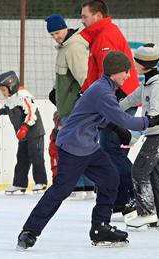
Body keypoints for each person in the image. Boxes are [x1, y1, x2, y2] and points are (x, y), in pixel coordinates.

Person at [16, 51, 159, 250]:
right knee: (61, 190)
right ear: (115, 73)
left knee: (110, 180)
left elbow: (100, 116)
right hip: (72, 147)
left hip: (88, 147)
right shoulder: (102, 91)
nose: (128, 76)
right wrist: (156, 119)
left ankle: (100, 226)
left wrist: (117, 129)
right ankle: (30, 231)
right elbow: (125, 119)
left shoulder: (104, 88)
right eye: (126, 72)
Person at [80, 0, 140, 212]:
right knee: (111, 151)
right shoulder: (99, 36)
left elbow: (111, 75)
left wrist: (102, 102)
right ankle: (121, 198)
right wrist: (85, 92)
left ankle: (134, 196)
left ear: (97, 15)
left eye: (85, 16)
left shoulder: (105, 35)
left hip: (120, 99)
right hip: (116, 99)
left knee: (110, 150)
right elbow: (96, 74)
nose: (82, 20)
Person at [119, 43, 159, 228]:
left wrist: (134, 130)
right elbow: (132, 99)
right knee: (154, 174)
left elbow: (155, 115)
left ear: (143, 64)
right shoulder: (149, 82)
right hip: (158, 134)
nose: (133, 65)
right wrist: (111, 108)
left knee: (139, 171)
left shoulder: (157, 85)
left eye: (136, 61)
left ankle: (147, 213)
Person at [45, 14, 96, 199]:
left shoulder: (73, 47)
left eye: (58, 32)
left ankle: (81, 185)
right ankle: (85, 185)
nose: (56, 37)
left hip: (75, 108)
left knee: (74, 147)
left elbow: (84, 78)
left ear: (65, 28)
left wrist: (81, 104)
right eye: (52, 35)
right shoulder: (65, 47)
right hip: (68, 107)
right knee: (79, 145)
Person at [0, 71, 47, 194]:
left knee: (36, 156)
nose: (2, 93)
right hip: (22, 135)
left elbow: (31, 112)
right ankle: (19, 183)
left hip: (34, 132)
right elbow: (9, 109)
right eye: (1, 90)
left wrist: (24, 127)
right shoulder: (11, 98)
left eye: (4, 90)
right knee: (22, 158)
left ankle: (41, 182)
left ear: (12, 86)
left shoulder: (23, 96)